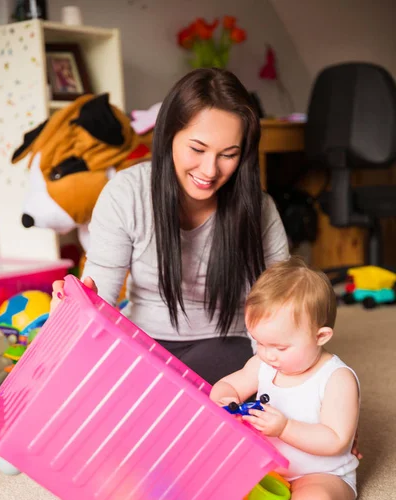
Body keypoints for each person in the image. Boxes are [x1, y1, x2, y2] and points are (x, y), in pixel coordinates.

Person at [51, 68, 289, 384]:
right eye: (197, 149)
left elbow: (281, 303)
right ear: (169, 136)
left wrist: (268, 372)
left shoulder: (259, 208)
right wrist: (72, 314)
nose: (209, 170)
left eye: (228, 155)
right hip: (145, 345)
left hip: (229, 346)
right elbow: (101, 295)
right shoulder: (127, 193)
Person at [210, 257, 360, 500]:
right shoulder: (263, 364)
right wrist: (227, 402)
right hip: (265, 466)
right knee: (212, 462)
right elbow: (225, 387)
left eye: (279, 347)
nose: (268, 355)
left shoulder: (337, 379)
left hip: (320, 475)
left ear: (321, 336)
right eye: (259, 342)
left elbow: (336, 441)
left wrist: (286, 427)